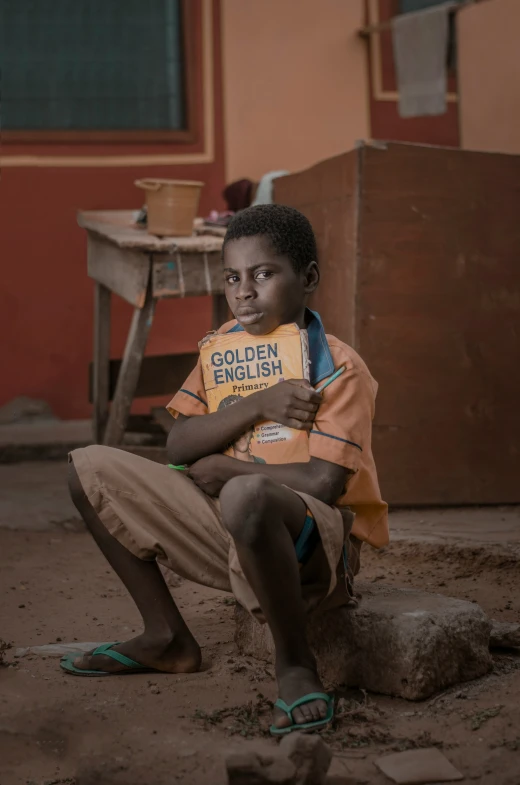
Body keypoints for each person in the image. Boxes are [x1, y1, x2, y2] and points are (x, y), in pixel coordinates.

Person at [63, 204, 388, 736]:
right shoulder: (222, 352)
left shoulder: (336, 365)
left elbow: (326, 483)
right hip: (224, 526)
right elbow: (180, 442)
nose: (244, 292)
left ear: (307, 278)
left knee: (248, 495)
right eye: (233, 277)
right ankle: (166, 636)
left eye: (263, 274)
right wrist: (258, 404)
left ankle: (296, 667)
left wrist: (231, 472)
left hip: (311, 544)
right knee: (88, 468)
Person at [217, 395, 266, 464]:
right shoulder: (222, 469)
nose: (241, 431)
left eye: (245, 422)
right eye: (233, 423)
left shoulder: (262, 463)